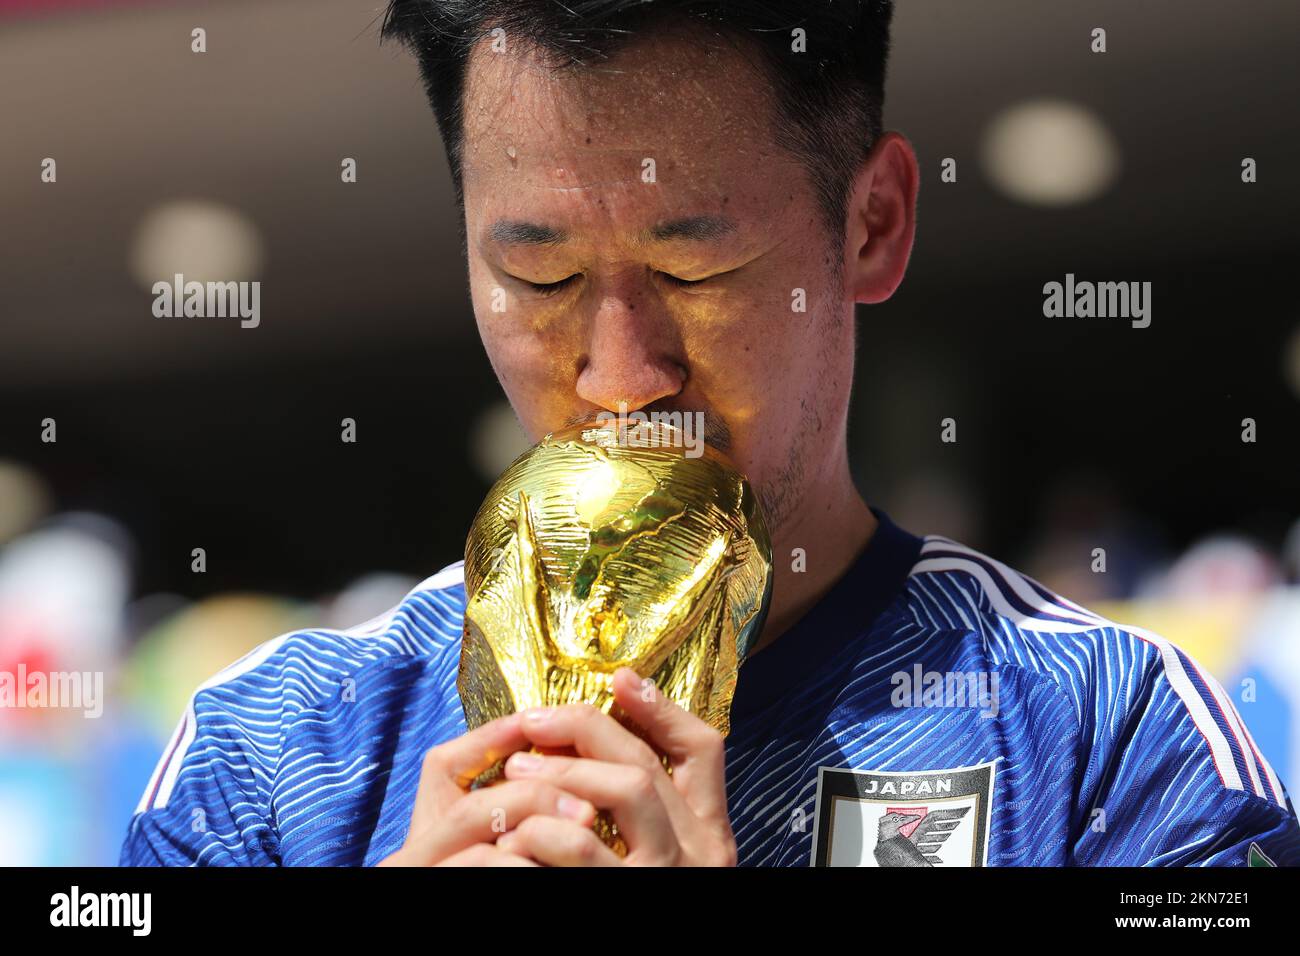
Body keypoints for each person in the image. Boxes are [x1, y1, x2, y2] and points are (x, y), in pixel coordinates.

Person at [120, 0, 1300, 867]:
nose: (622, 374)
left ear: (873, 223)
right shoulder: (266, 759)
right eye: (539, 275)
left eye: (698, 266)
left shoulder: (1109, 737)